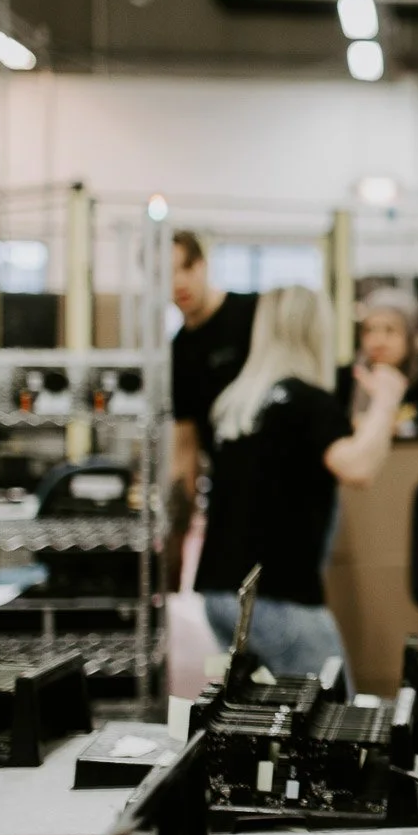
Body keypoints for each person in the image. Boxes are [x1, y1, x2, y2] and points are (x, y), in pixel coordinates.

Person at [192, 286, 411, 683]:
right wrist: (386, 401)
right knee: (332, 711)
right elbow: (358, 467)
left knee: (257, 711)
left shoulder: (237, 404)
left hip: (221, 593)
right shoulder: (307, 401)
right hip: (278, 597)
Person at [169, 230, 257, 586]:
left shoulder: (251, 313)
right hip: (226, 489)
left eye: (185, 267)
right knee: (217, 592)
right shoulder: (180, 349)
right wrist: (177, 535)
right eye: (165, 274)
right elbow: (185, 446)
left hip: (274, 484)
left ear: (203, 265)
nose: (178, 282)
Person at [352, 288, 418, 438]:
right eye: (369, 330)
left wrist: (401, 426)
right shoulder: (349, 378)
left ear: (408, 337)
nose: (378, 341)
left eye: (390, 330)